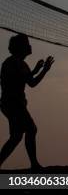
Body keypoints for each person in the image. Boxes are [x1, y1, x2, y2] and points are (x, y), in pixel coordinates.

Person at [0, 34, 54, 170]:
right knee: (31, 129)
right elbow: (18, 79)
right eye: (27, 44)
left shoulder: (23, 64)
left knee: (16, 136)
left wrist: (44, 70)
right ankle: (34, 164)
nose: (30, 46)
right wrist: (36, 70)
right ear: (20, 48)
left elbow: (32, 83)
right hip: (12, 103)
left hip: (16, 104)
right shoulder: (10, 62)